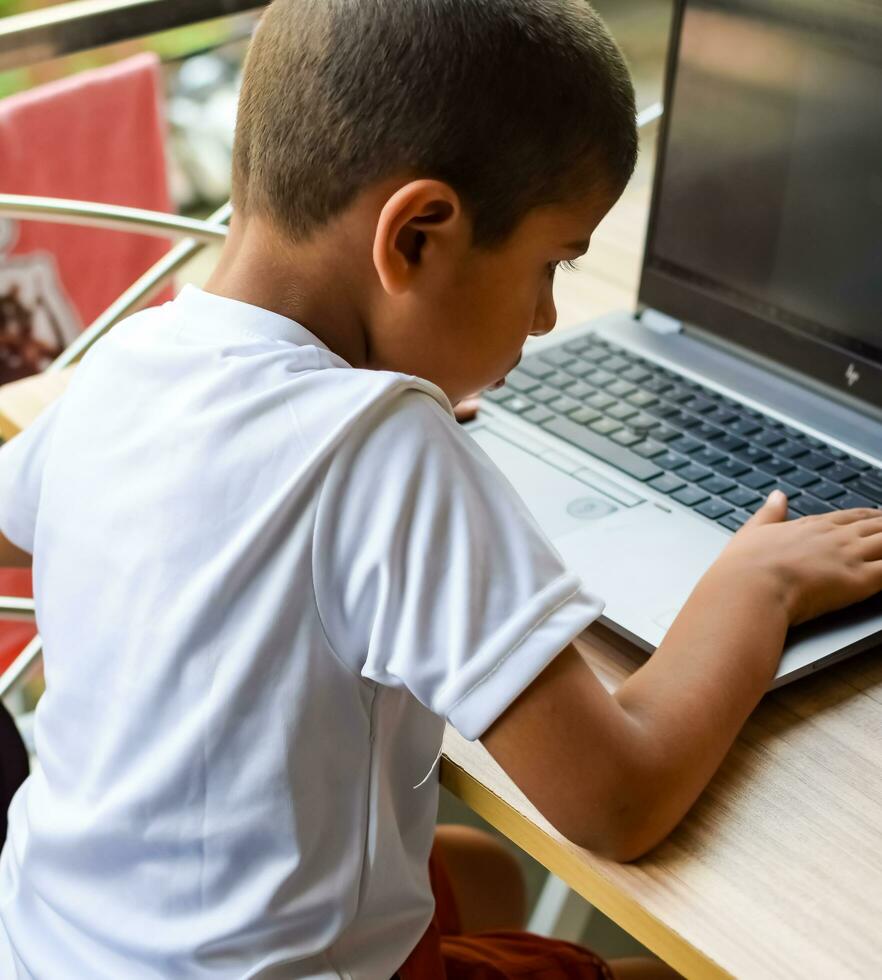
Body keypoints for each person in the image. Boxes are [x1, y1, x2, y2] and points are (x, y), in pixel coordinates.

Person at [0, 0, 880, 976]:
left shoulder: (133, 361)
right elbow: (618, 798)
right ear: (418, 234)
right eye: (551, 265)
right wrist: (757, 587)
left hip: (52, 940)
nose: (548, 317)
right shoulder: (383, 453)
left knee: (473, 869)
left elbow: (30, 525)